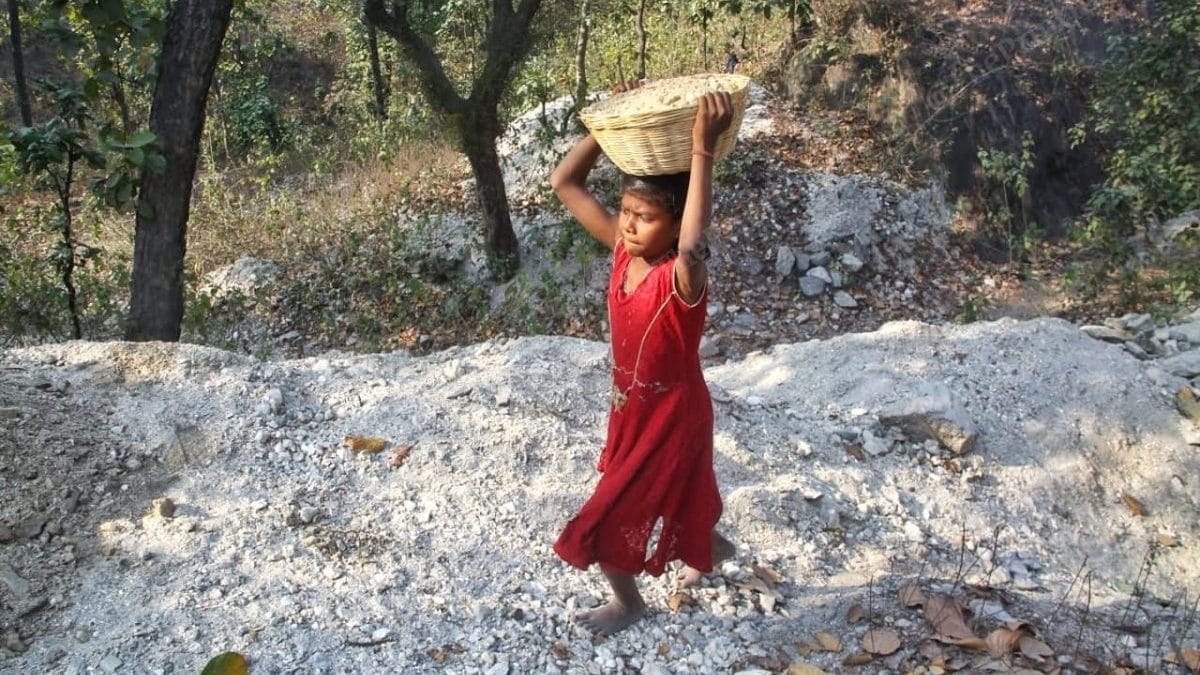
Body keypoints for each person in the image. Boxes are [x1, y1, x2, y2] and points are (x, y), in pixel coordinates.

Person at [548, 82, 737, 636]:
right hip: (630, 410)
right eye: (627, 211)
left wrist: (702, 149)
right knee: (673, 498)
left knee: (606, 517)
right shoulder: (620, 250)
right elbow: (564, 182)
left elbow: (695, 244)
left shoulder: (680, 279)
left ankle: (629, 604)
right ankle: (710, 551)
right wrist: (609, 127)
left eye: (646, 217)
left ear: (674, 227)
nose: (629, 224)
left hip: (674, 416)